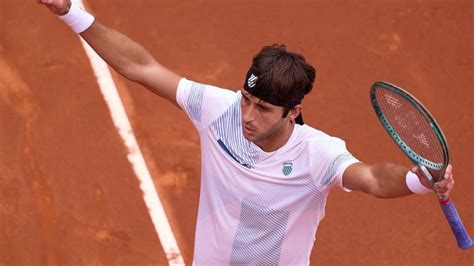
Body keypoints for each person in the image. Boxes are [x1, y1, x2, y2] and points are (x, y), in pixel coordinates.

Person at [37, 0, 455, 265]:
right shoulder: (218, 110)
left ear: (294, 113)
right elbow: (142, 68)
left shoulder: (317, 156)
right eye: (246, 100)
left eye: (264, 108)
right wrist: (72, 11)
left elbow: (372, 179)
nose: (248, 116)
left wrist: (417, 181)